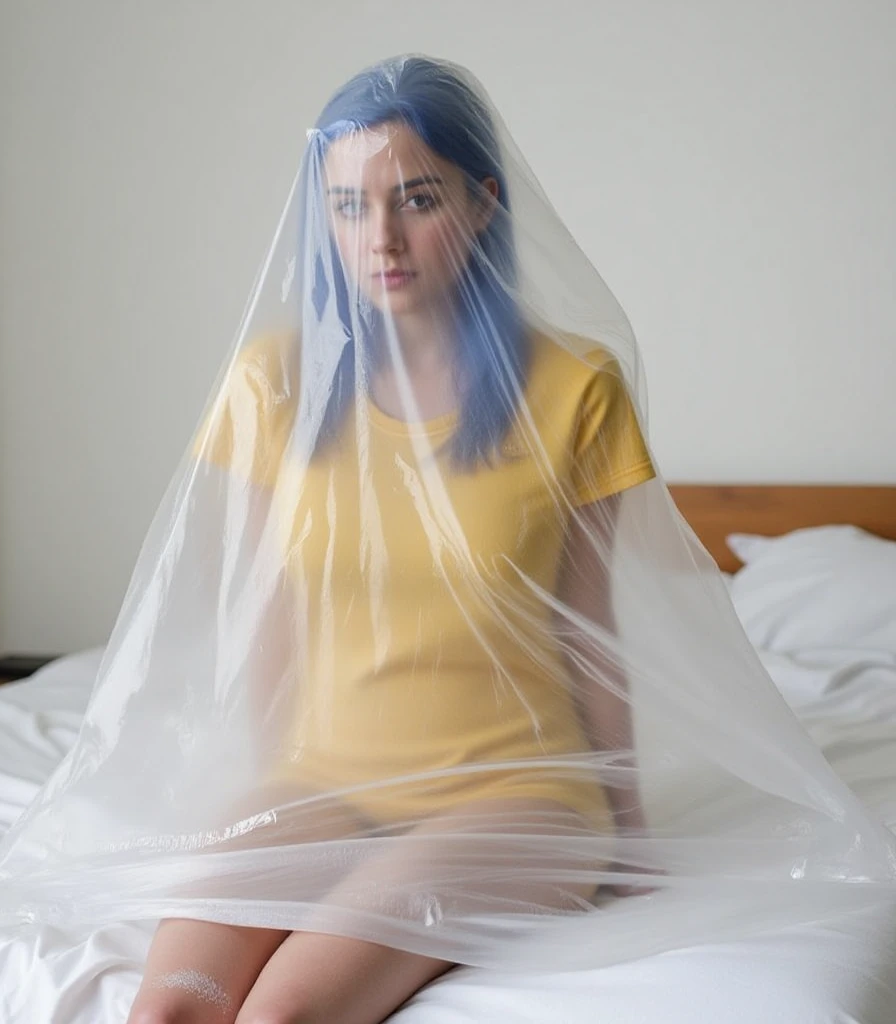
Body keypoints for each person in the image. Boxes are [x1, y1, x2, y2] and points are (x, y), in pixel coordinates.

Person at [126, 54, 659, 1024]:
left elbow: (589, 628)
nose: (380, 238)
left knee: (281, 1014)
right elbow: (269, 610)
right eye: (347, 205)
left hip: (516, 794)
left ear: (483, 201)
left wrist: (632, 835)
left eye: (416, 198)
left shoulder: (576, 388)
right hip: (327, 779)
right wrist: (272, 797)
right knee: (169, 1012)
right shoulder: (271, 384)